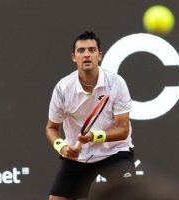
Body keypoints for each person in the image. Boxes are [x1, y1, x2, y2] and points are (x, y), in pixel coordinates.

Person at [46, 31, 135, 200]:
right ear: (74, 57)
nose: (86, 54)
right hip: (78, 156)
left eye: (92, 50)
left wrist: (94, 136)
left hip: (114, 153)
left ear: (99, 55)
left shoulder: (116, 83)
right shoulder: (63, 88)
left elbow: (123, 130)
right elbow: (51, 128)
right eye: (81, 51)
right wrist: (62, 147)